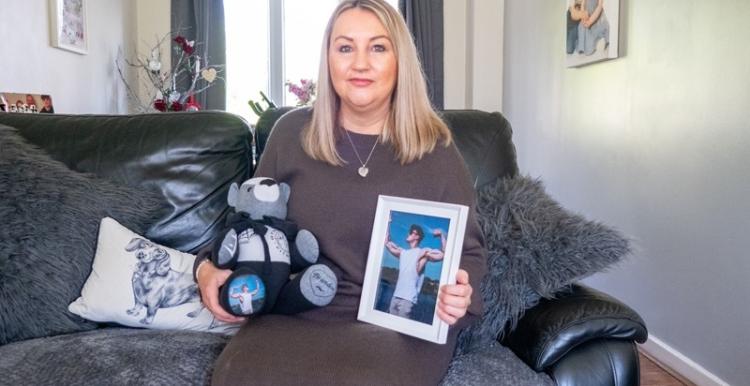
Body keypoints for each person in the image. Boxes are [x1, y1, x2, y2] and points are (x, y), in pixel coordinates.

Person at [195, 1, 486, 384]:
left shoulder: (437, 150)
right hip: (297, 307)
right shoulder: (290, 134)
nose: (360, 63)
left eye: (378, 48)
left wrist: (460, 292)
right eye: (345, 47)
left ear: (400, 61)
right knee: (237, 376)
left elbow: (470, 252)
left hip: (397, 325)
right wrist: (205, 269)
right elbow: (251, 224)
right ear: (328, 58)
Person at [385, 221, 445, 319]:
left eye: (410, 232)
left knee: (399, 331)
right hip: (395, 296)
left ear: (417, 236)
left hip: (408, 299)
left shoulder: (423, 252)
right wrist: (388, 222)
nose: (408, 234)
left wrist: (442, 235)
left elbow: (443, 255)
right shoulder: (402, 252)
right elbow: (386, 242)